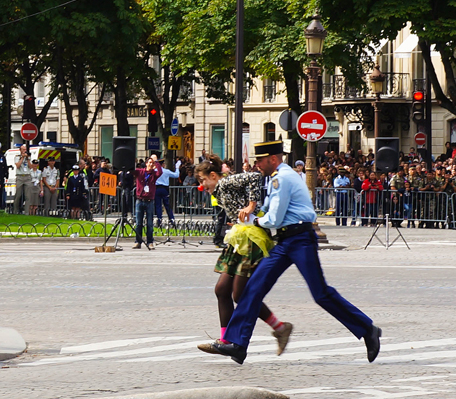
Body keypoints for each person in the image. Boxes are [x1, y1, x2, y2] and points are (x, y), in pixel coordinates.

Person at [198, 140, 381, 365]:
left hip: (300, 239)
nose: (257, 165)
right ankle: (237, 344)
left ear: (273, 159)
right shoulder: (277, 177)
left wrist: (252, 219)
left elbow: (273, 218)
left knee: (320, 293)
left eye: (260, 161)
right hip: (284, 240)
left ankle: (367, 329)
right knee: (253, 289)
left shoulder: (282, 179)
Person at [193, 155, 293, 356]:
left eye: (203, 180)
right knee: (222, 290)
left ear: (213, 175)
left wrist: (251, 205)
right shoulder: (219, 190)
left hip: (251, 239)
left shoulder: (227, 181)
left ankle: (280, 328)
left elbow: (254, 178)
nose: (202, 186)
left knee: (239, 294)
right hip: (239, 237)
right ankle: (225, 338)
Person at [132, 157, 162, 250]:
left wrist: (156, 162)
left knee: (149, 223)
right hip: (140, 200)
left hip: (149, 201)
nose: (151, 164)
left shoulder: (154, 174)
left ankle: (150, 242)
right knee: (138, 223)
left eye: (152, 163)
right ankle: (138, 241)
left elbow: (160, 172)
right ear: (146, 164)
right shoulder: (140, 172)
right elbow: (131, 171)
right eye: (150, 162)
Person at [155, 158, 181, 227]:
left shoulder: (154, 171)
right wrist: (177, 168)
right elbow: (176, 175)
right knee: (167, 205)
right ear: (163, 164)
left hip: (156, 188)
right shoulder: (166, 171)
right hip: (164, 189)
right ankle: (171, 219)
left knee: (158, 205)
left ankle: (159, 220)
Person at [13, 144, 33, 214]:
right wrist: (22, 158)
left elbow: (31, 167)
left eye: (25, 150)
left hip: (27, 177)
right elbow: (18, 166)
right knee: (18, 195)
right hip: (20, 177)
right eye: (23, 149)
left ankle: (26, 212)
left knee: (28, 196)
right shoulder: (17, 157)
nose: (25, 151)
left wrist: (27, 159)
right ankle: (15, 211)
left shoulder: (29, 157)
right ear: (20, 150)